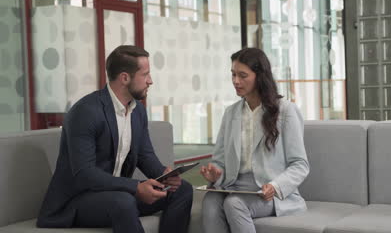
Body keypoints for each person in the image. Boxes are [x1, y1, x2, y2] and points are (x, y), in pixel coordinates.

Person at [37, 45, 193, 233]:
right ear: (125, 78)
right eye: (145, 75)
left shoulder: (137, 111)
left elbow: (145, 156)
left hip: (116, 195)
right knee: (123, 201)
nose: (150, 81)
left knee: (182, 190)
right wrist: (136, 187)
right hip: (79, 200)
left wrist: (166, 176)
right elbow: (85, 175)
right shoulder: (85, 112)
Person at [200, 48, 309, 233]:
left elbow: (300, 164)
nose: (236, 81)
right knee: (210, 201)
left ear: (260, 76)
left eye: (243, 75)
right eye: (233, 74)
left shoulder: (286, 111)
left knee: (234, 204)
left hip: (268, 191)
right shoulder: (230, 113)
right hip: (233, 186)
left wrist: (275, 187)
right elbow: (219, 161)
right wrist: (215, 174)